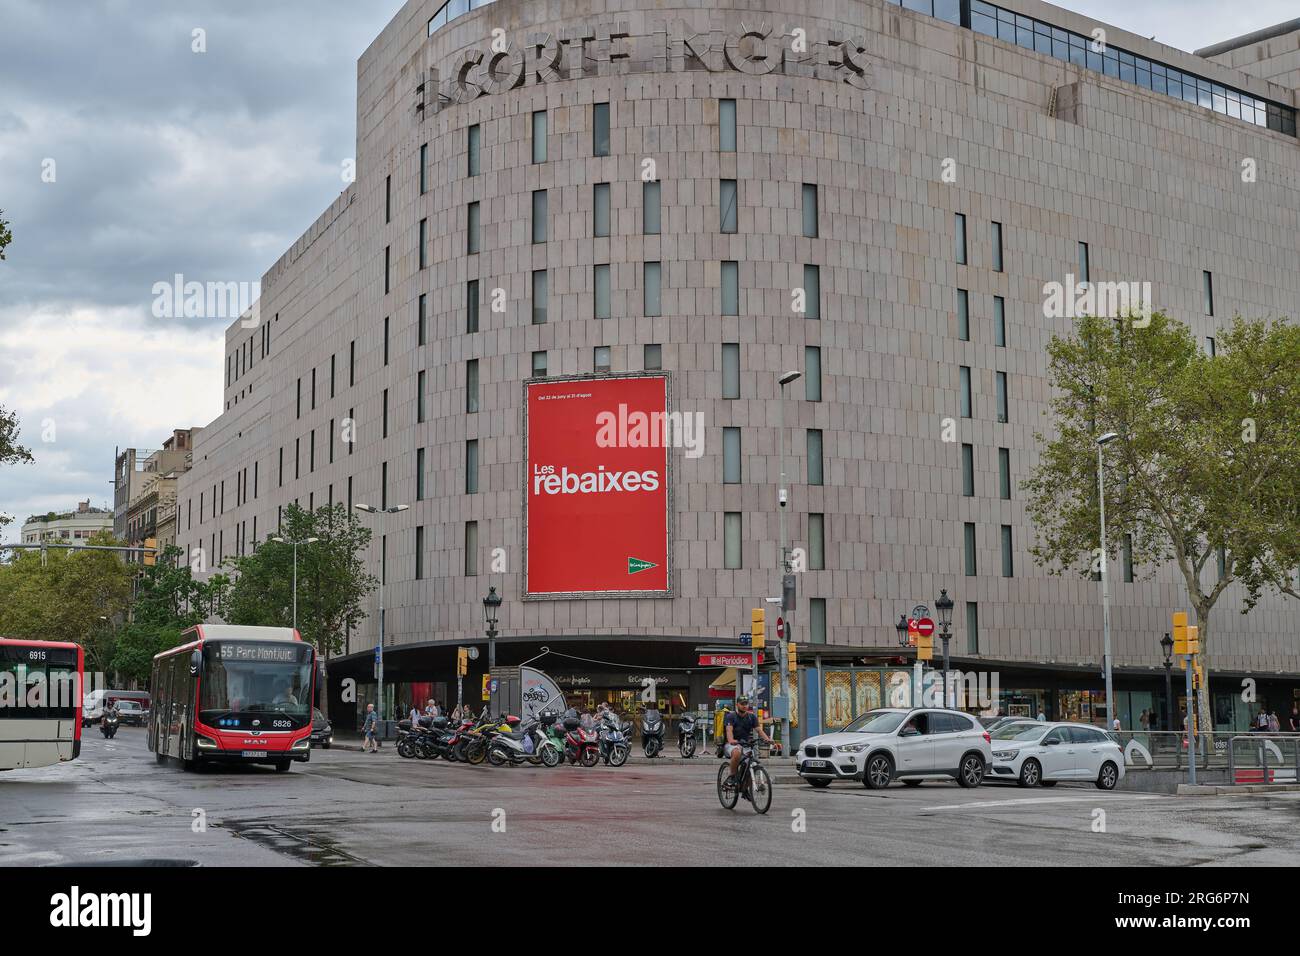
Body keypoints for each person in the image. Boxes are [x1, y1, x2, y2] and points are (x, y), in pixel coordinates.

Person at [723, 696, 772, 787]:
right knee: (737, 752)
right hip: (731, 744)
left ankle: (746, 789)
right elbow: (729, 731)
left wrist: (768, 740)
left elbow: (759, 730)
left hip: (745, 745)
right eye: (742, 704)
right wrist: (731, 740)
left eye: (746, 704)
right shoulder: (731, 716)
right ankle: (732, 776)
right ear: (737, 704)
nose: (744, 706)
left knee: (750, 764)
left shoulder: (752, 717)